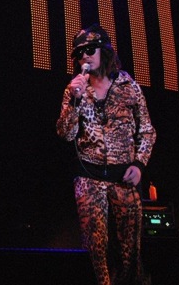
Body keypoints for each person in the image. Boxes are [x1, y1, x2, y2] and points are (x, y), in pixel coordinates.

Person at [56, 24, 156, 285]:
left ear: (105, 51)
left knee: (130, 250)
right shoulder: (74, 90)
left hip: (124, 176)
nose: (84, 57)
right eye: (79, 53)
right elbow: (66, 134)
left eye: (90, 50)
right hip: (88, 176)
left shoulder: (128, 86)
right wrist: (75, 100)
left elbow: (147, 130)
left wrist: (139, 164)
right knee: (95, 248)